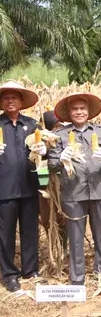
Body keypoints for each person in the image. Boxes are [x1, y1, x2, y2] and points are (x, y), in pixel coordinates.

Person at [47, 92, 101, 285]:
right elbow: (52, 164)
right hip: (72, 192)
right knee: (76, 237)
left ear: (88, 111)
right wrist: (61, 159)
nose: (79, 112)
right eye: (75, 109)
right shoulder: (59, 135)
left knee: (100, 233)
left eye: (82, 108)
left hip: (98, 190)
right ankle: (77, 278)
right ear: (69, 113)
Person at [0, 81, 44, 292]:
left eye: (14, 97)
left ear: (21, 101)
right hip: (4, 188)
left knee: (30, 231)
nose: (10, 101)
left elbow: (46, 150)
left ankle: (31, 270)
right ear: (2, 102)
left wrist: (44, 149)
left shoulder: (32, 125)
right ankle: (9, 274)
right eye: (6, 98)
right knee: (5, 234)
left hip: (29, 186)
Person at [38, 110, 68, 256]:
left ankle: (64, 246)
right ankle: (53, 246)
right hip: (44, 183)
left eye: (60, 126)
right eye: (56, 126)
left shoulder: (65, 139)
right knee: (47, 217)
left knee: (63, 215)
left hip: (62, 183)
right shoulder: (39, 141)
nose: (58, 129)